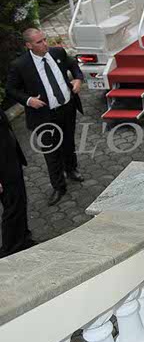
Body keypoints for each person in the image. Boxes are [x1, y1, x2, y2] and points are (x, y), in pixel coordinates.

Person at [7, 28, 84, 206]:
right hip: (43, 115)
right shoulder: (20, 65)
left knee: (68, 142)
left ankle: (71, 169)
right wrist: (28, 100)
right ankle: (58, 186)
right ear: (29, 45)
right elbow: (11, 89)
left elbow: (73, 64)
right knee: (51, 151)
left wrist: (78, 79)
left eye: (44, 39)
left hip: (67, 108)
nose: (45, 44)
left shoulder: (57, 53)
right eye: (39, 42)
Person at [0, 108, 33, 258]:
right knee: (12, 208)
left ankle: (23, 239)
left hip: (10, 160)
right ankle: (9, 250)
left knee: (20, 202)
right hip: (3, 171)